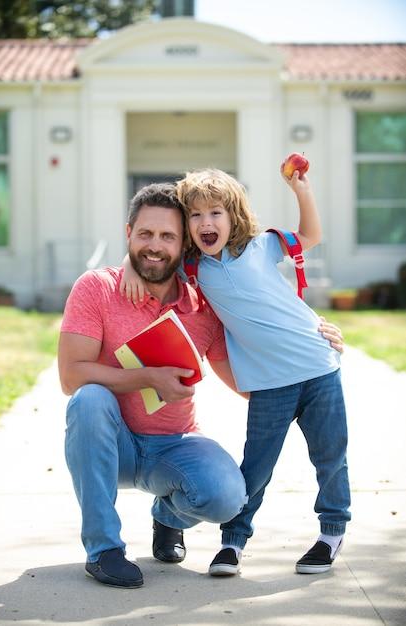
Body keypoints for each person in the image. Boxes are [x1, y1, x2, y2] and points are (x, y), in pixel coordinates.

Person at [122, 167, 350, 578]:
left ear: (234, 216)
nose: (206, 223)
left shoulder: (262, 247)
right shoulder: (193, 268)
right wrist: (127, 266)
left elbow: (311, 235)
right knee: (256, 468)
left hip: (318, 367)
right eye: (194, 216)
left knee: (330, 456)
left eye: (215, 213)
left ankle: (332, 531)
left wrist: (303, 190)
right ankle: (234, 540)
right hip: (268, 384)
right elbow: (151, 257)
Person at [58, 183, 249, 589]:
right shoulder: (97, 288)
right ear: (128, 233)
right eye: (145, 234)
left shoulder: (203, 303)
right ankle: (104, 550)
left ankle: (167, 519)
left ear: (184, 245)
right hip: (114, 444)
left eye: (168, 236)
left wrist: (308, 343)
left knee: (227, 497)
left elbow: (243, 383)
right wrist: (146, 377)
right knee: (88, 399)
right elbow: (71, 375)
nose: (154, 246)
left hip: (173, 443)